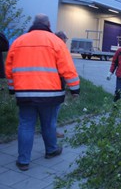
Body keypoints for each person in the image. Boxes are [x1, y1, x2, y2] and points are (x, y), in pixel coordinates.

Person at [5, 14, 80, 171]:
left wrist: (12, 89)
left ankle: (23, 161)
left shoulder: (19, 41)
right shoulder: (55, 42)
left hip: (24, 93)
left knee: (26, 125)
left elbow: (9, 69)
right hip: (50, 94)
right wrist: (74, 89)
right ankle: (51, 150)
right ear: (48, 24)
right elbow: (68, 68)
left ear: (33, 24)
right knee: (49, 123)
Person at [54, 31, 70, 139]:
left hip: (51, 85)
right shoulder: (59, 50)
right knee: (53, 112)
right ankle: (51, 131)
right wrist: (74, 89)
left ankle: (48, 129)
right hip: (56, 86)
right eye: (65, 40)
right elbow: (67, 69)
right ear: (60, 39)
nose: (65, 43)